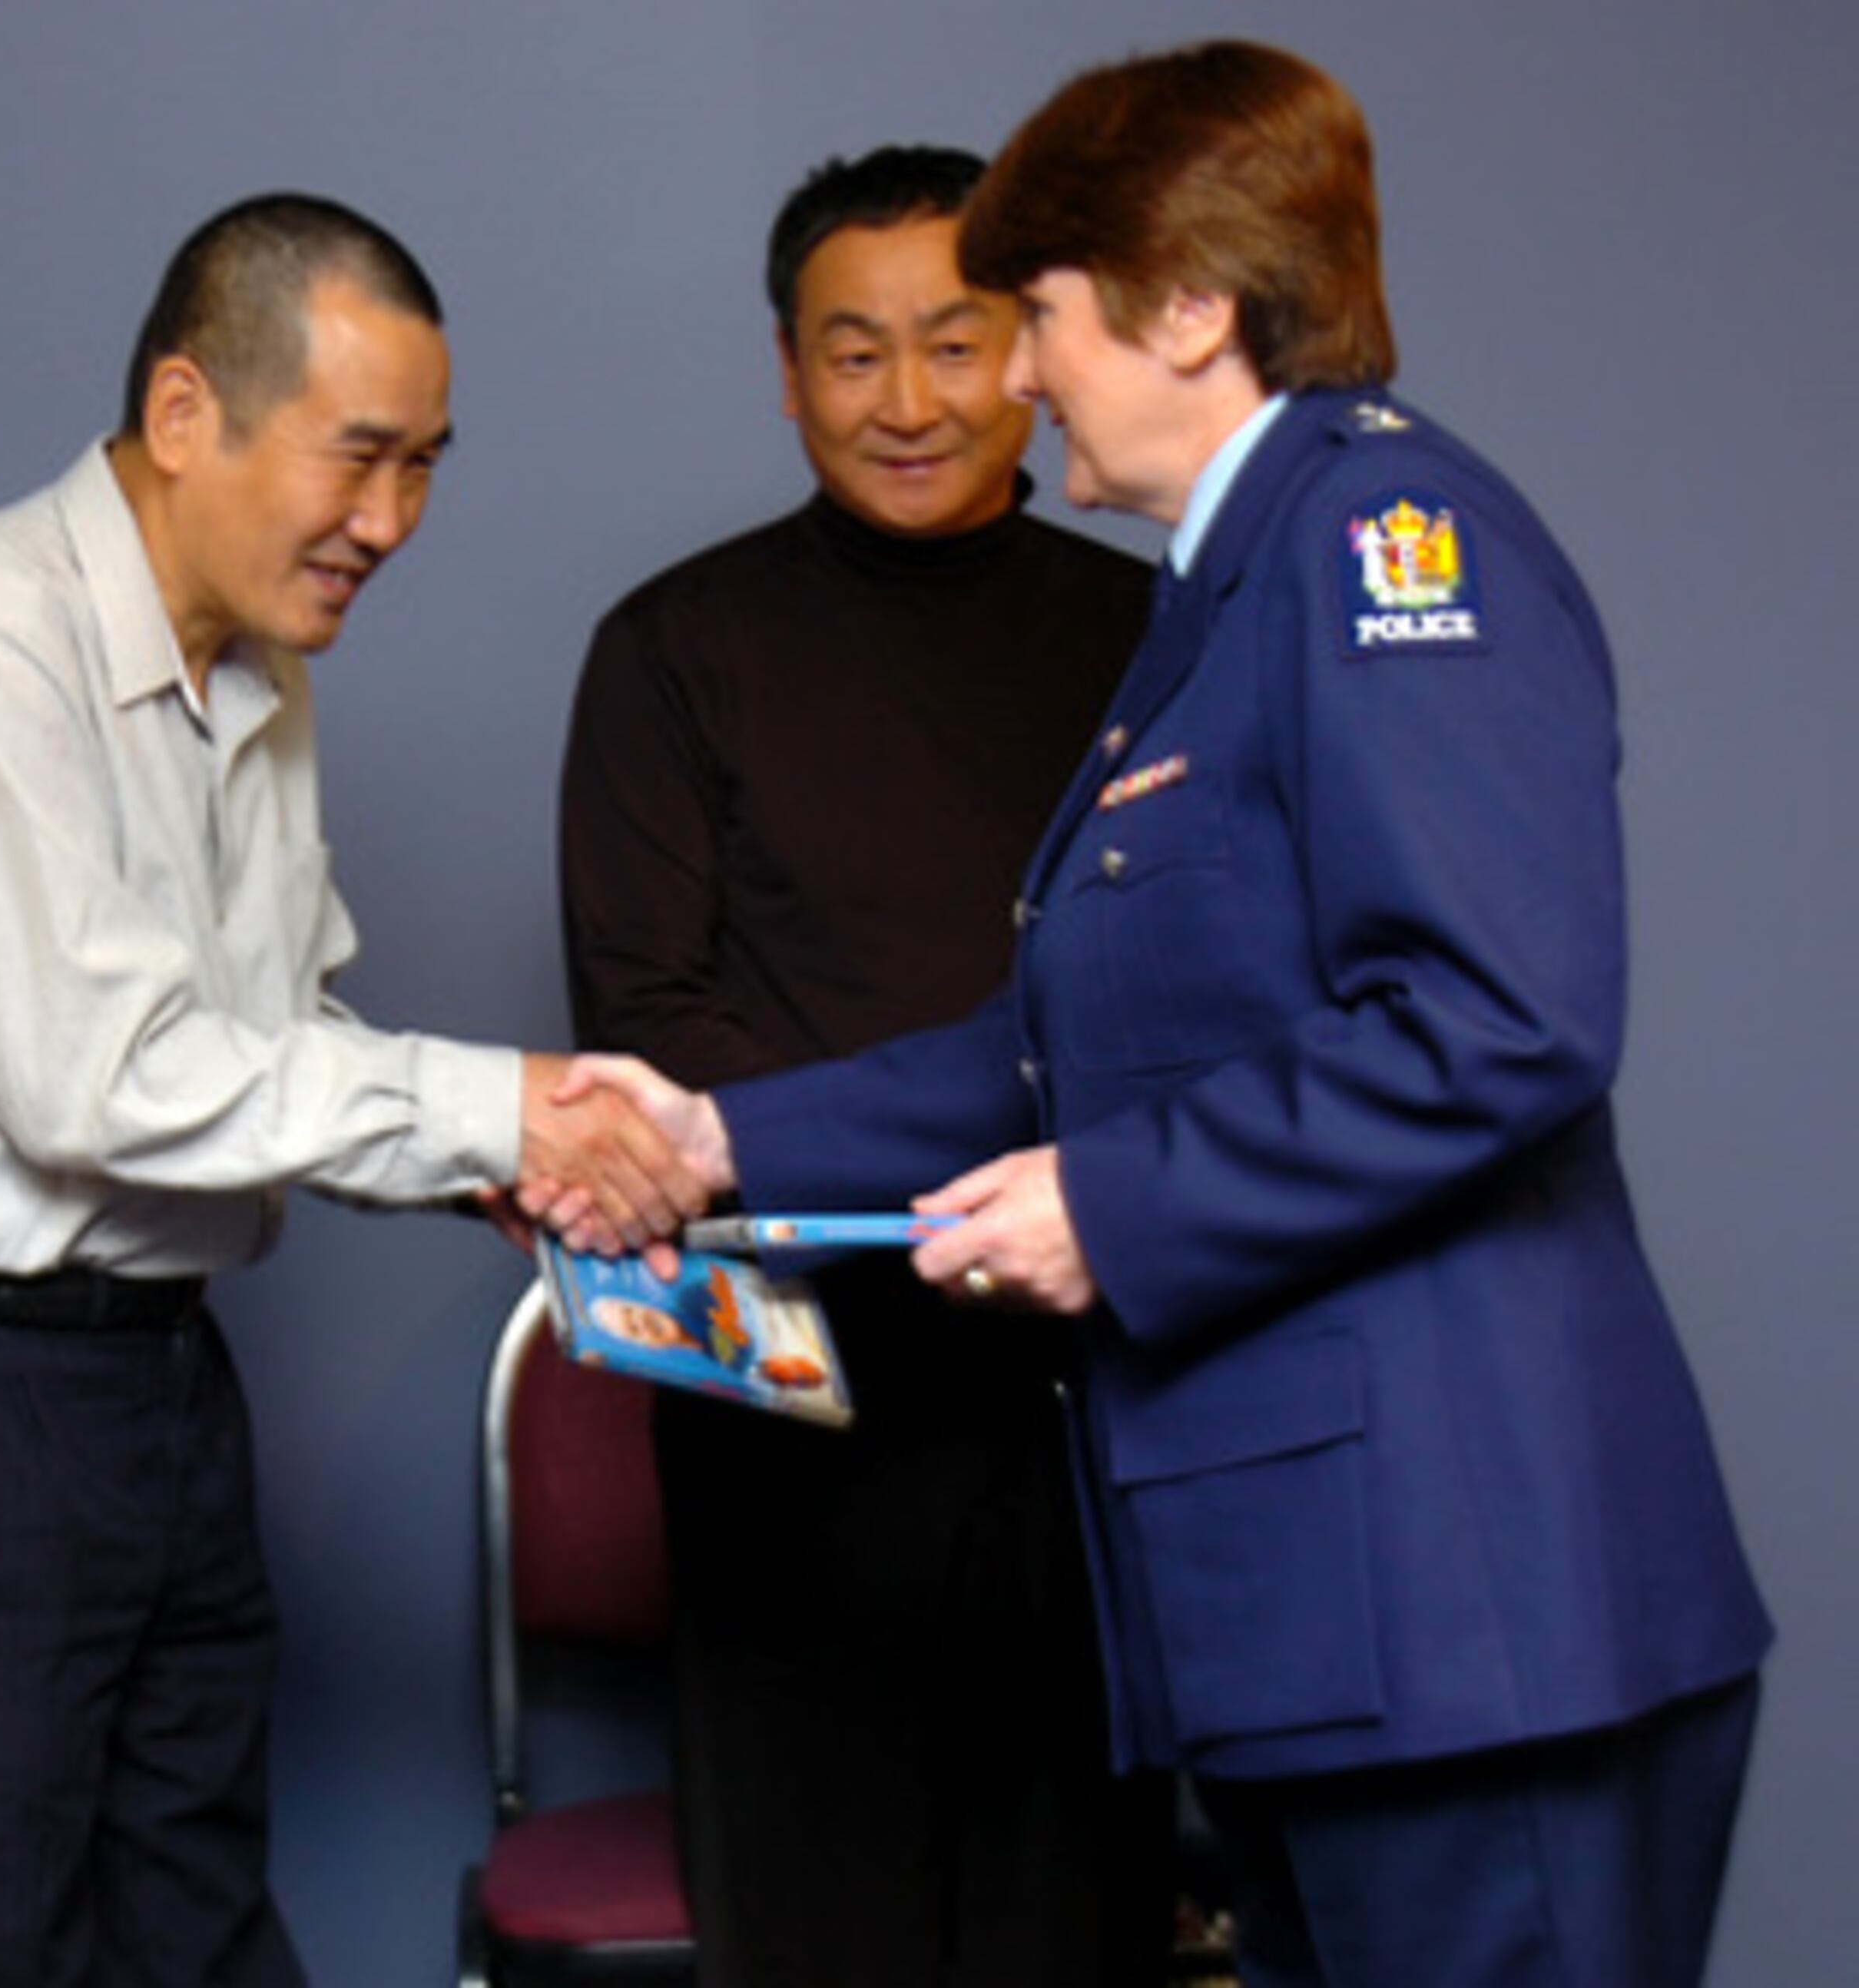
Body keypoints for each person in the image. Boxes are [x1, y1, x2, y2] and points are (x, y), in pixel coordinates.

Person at [548, 41, 1773, 1987]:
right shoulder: (1215, 607)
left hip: (1468, 1625)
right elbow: (1056, 1049)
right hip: (1320, 1630)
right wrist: (716, 1137)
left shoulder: (1385, 555)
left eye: (1034, 316)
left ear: (1190, 307)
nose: (1012, 379)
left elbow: (1502, 1017)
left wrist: (1109, 1210)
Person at [0, 192, 702, 1986]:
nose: (392, 524)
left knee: (198, 1925)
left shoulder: (255, 663)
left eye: (427, 468)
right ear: (186, 416)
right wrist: (497, 1108)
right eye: (361, 458)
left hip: (153, 1377)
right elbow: (98, 1075)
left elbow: (272, 1022)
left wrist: (475, 1162)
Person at [555, 144, 1173, 1987]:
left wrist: (1049, 1199)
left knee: (1077, 1924)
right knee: (820, 1937)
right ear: (784, 368)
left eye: (959, 344)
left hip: (1090, 1389)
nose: (909, 403)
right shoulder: (675, 649)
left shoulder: (1154, 636)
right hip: (791, 1405)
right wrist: (943, 1181)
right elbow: (653, 1017)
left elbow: (1196, 999)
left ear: (1038, 354)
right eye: (853, 352)